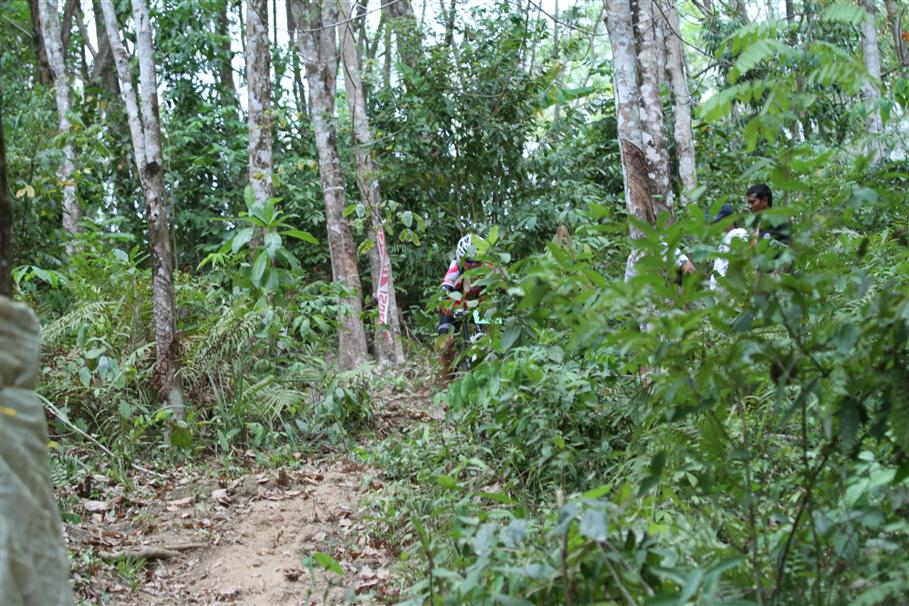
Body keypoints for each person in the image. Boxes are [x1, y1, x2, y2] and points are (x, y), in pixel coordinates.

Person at [437, 234, 486, 382]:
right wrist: (446, 304)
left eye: (478, 261)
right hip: (458, 306)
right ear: (461, 260)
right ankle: (446, 386)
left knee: (497, 328)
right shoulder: (456, 267)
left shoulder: (490, 268)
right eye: (469, 261)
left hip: (480, 306)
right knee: (445, 345)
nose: (474, 265)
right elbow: (445, 290)